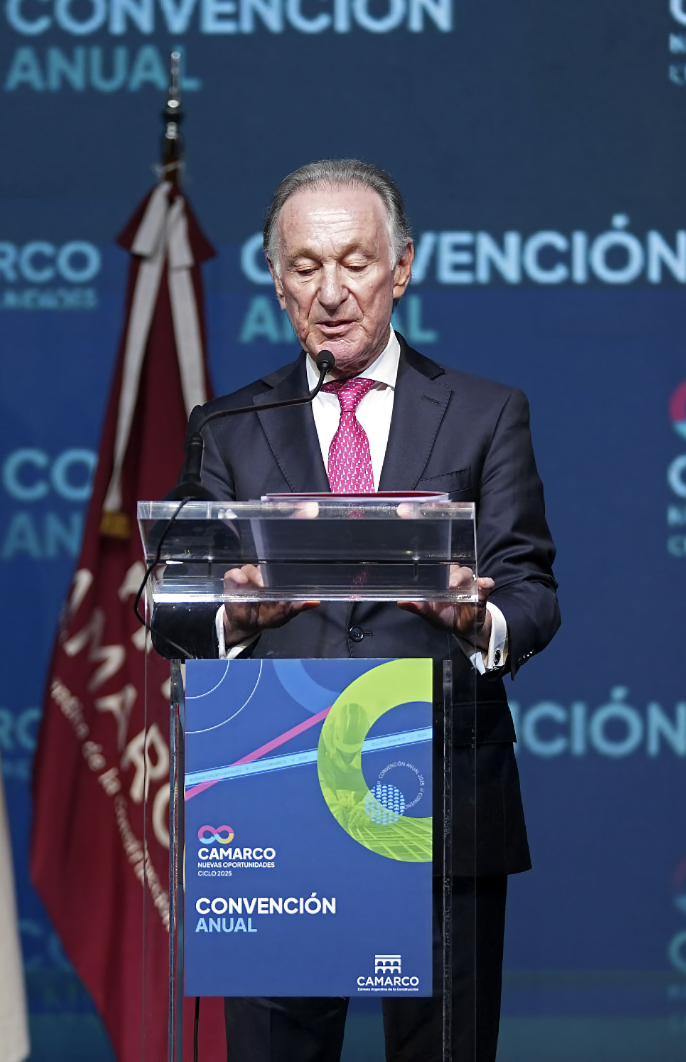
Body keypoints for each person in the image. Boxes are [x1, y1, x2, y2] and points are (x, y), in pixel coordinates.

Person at [169, 159, 560, 1061]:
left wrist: (478, 621)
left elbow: (532, 592)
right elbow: (171, 608)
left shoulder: (485, 413)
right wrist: (233, 618)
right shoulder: (224, 427)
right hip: (274, 798)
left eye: (355, 262)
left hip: (437, 798)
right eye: (306, 267)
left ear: (401, 268)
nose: (332, 292)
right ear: (277, 282)